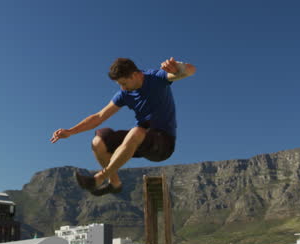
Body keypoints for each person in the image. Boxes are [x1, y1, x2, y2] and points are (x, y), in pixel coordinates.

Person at [50, 57, 196, 196]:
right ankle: (114, 183)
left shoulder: (156, 77)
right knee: (99, 140)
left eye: (124, 83)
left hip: (163, 144)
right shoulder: (125, 94)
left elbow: (190, 70)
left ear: (134, 75)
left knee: (136, 131)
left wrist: (178, 67)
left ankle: (99, 178)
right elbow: (99, 116)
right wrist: (70, 131)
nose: (122, 88)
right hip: (139, 140)